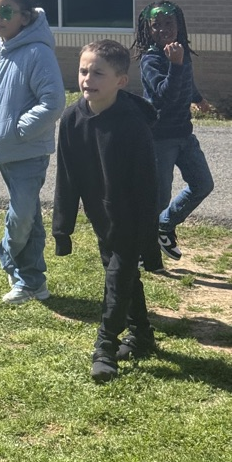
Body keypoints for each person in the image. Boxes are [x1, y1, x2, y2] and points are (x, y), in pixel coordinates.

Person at [53, 41, 161, 383]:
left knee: (117, 277)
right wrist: (62, 228)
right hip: (101, 217)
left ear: (121, 81)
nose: (88, 78)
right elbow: (66, 177)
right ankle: (141, 335)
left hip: (131, 216)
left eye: (98, 72)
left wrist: (148, 235)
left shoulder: (132, 124)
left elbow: (148, 185)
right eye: (84, 70)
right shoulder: (72, 118)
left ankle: (105, 346)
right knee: (124, 276)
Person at [0, 0, 65, 303]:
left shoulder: (38, 53)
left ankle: (9, 257)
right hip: (2, 150)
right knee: (30, 214)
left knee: (22, 214)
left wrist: (19, 129)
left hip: (29, 151)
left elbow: (53, 102)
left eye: (6, 11)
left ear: (24, 18)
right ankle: (32, 281)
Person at [133, 0, 214, 262]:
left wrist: (198, 98)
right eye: (157, 25)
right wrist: (175, 65)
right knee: (159, 197)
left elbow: (186, 83)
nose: (164, 29)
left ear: (179, 24)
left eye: (169, 23)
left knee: (202, 184)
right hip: (159, 139)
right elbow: (164, 95)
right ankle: (143, 250)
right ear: (148, 29)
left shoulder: (181, 51)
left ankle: (164, 225)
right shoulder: (151, 59)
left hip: (184, 135)